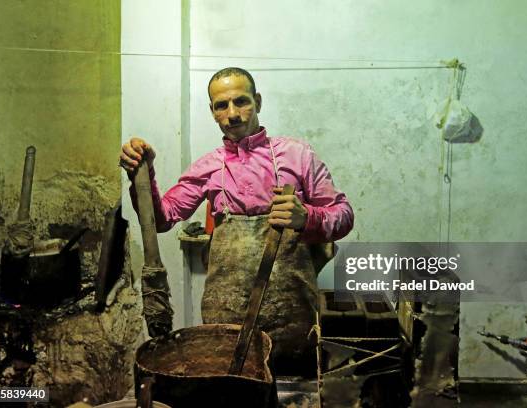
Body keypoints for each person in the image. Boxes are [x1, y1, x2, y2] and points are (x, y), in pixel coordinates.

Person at [120, 67, 354, 374]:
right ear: (212, 112)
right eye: (221, 105)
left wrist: (306, 217)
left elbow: (343, 216)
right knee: (232, 394)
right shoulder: (208, 167)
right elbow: (163, 219)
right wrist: (144, 173)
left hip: (294, 317)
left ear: (257, 101)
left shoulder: (298, 156)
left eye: (241, 101)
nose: (232, 113)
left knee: (295, 390)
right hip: (226, 319)